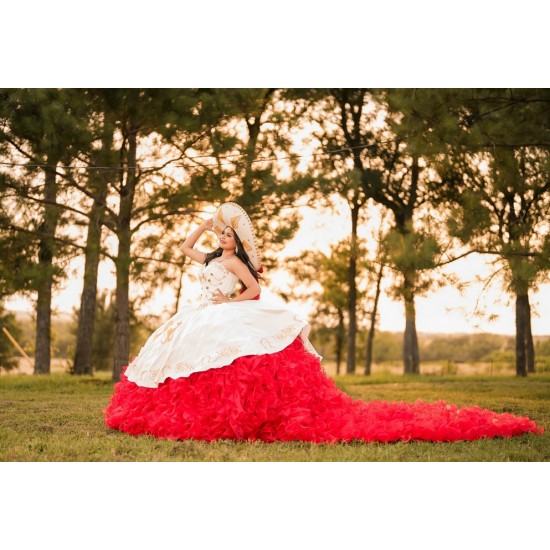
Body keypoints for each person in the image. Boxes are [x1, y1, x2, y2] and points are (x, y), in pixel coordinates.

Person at [104, 202, 543, 443]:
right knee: (180, 359)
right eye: (221, 235)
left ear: (237, 242)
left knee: (233, 355)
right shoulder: (213, 255)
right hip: (197, 314)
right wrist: (205, 223)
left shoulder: (236, 263)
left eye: (227, 235)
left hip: (223, 309)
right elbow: (184, 248)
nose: (222, 240)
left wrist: (229, 298)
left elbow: (255, 292)